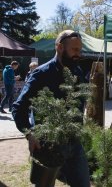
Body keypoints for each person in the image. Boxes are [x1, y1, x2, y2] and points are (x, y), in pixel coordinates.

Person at [12, 30, 90, 187]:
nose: (78, 54)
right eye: (74, 49)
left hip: (74, 144)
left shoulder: (77, 72)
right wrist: (30, 134)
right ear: (60, 47)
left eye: (79, 50)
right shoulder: (40, 74)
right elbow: (18, 107)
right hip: (47, 145)